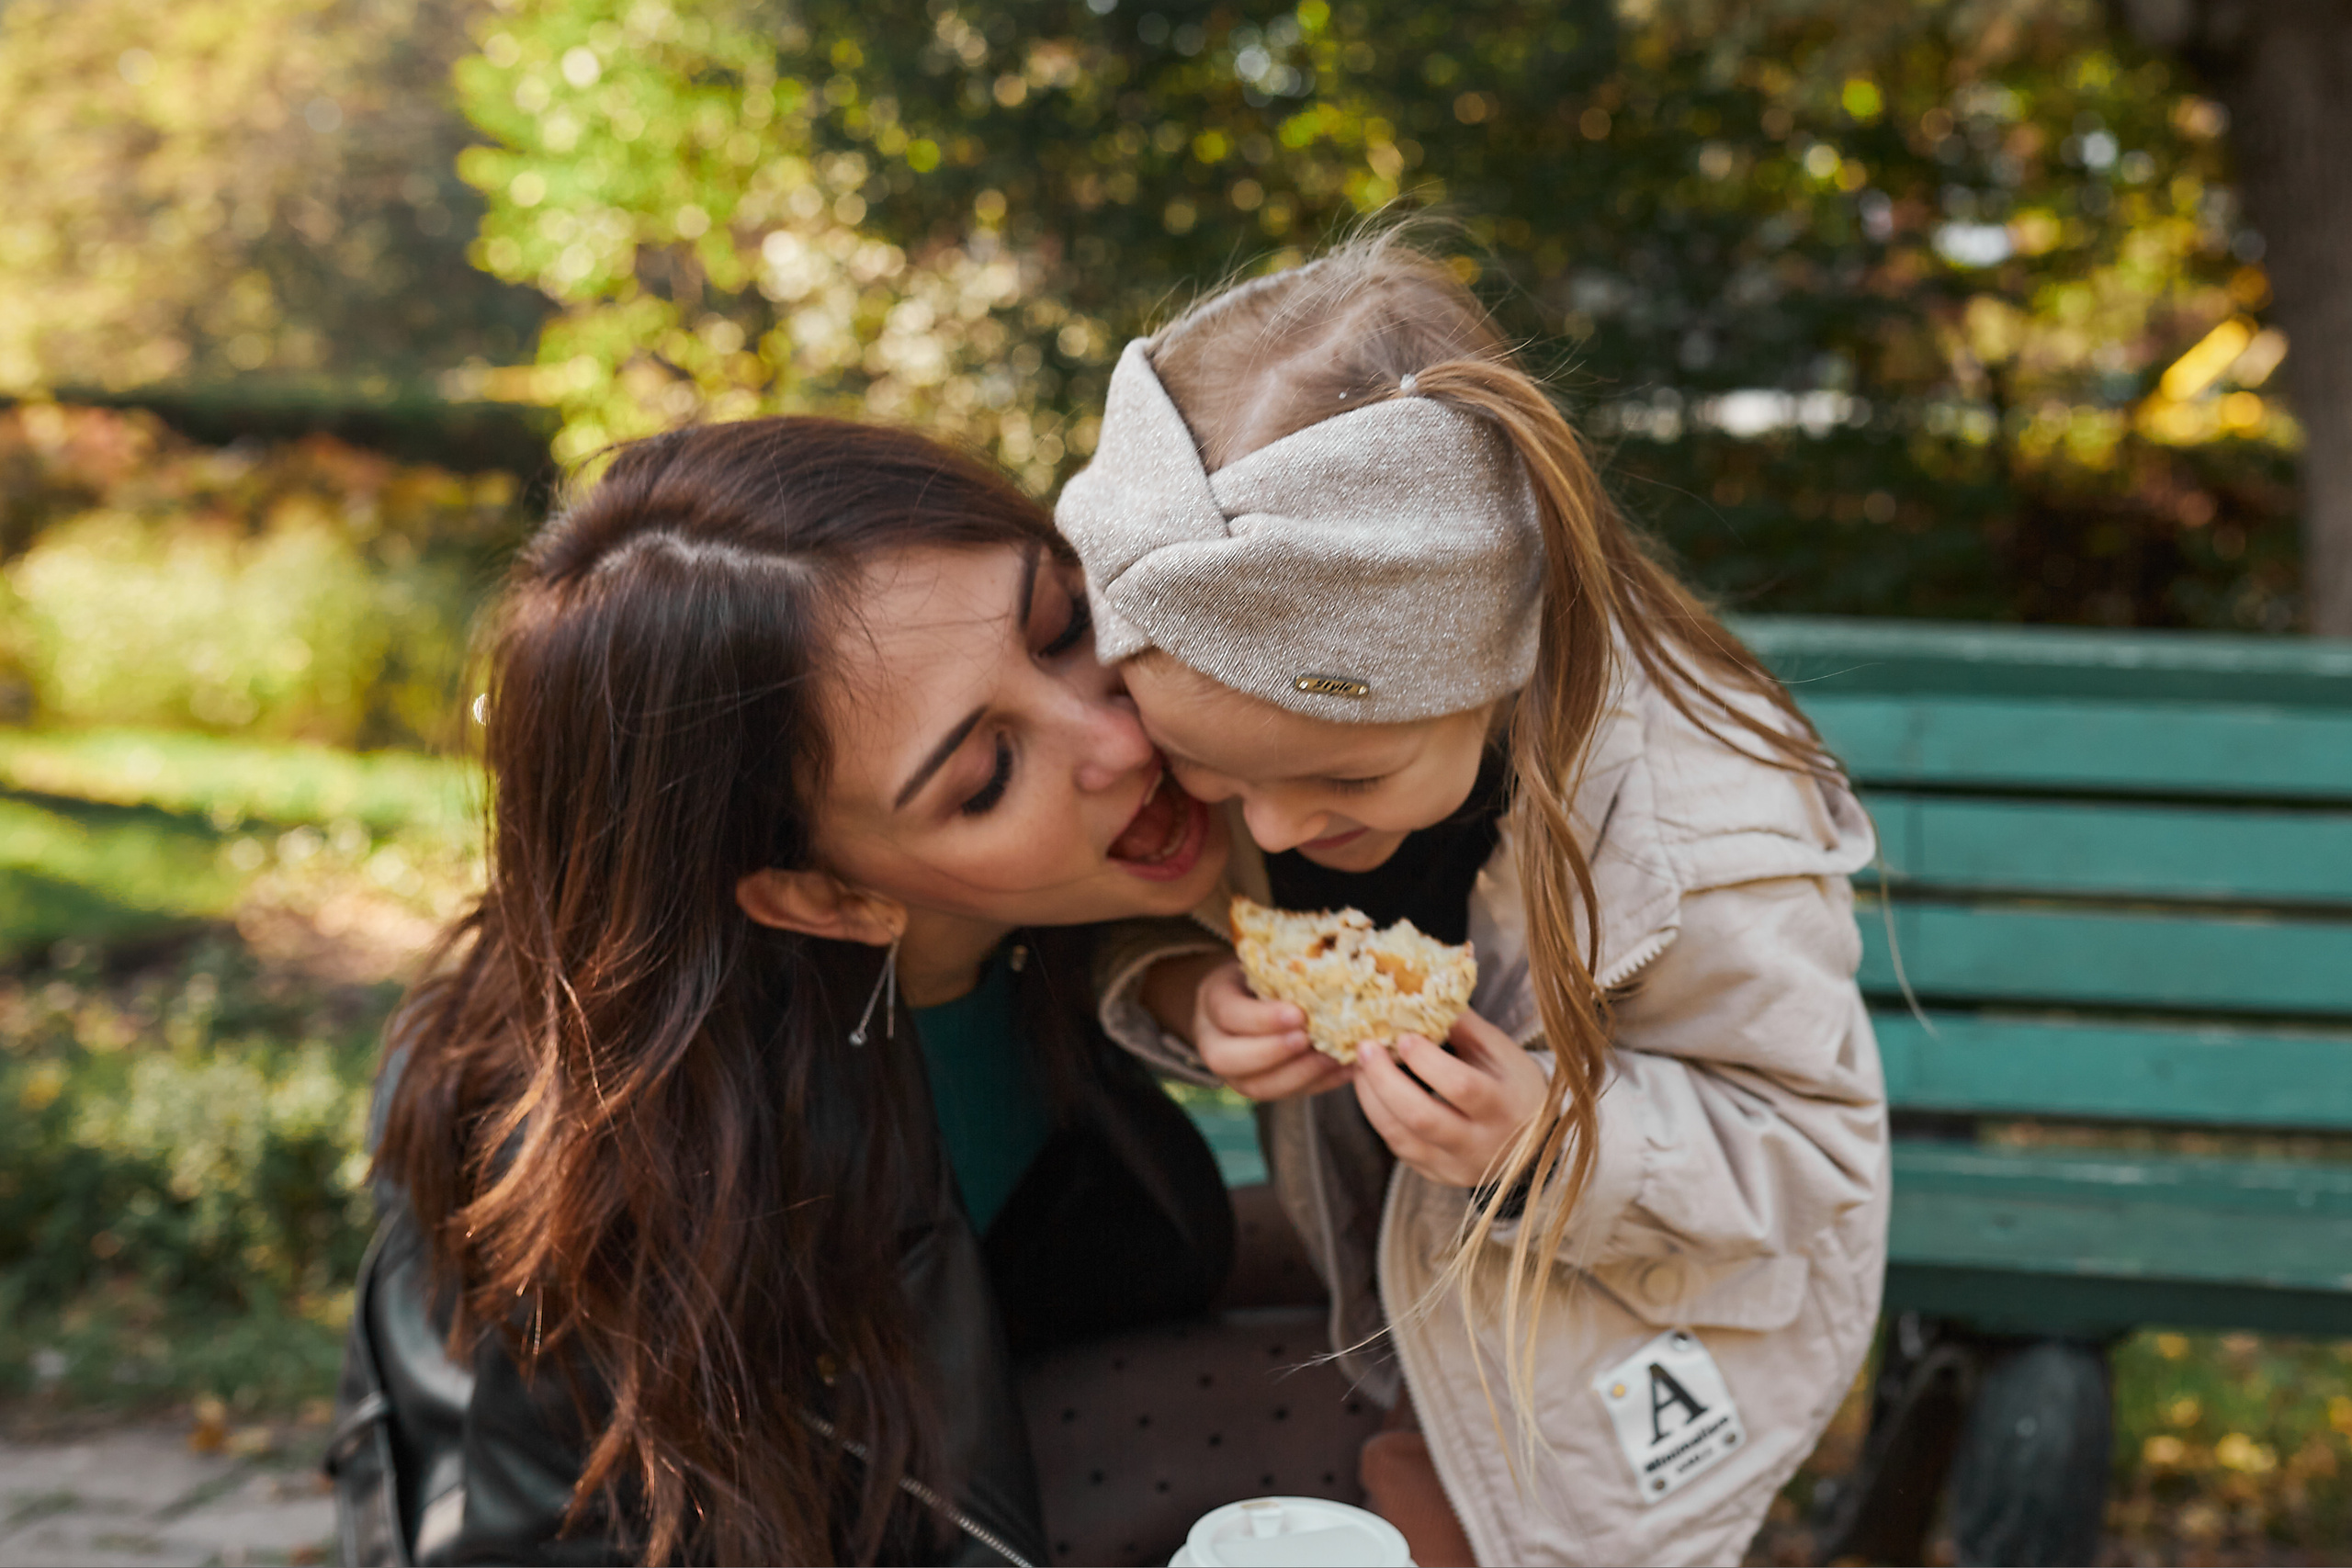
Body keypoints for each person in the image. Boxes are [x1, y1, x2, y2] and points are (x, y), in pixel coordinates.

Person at [325, 417, 1383, 1568]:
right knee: (1399, 1425)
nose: (1117, 736)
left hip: (1020, 1343)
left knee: (1421, 1281)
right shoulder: (667, 1166)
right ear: (820, 896)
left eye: (1063, 625)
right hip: (830, 1522)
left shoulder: (1075, 874)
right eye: (985, 776)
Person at [1055, 232, 1890, 1566]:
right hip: (1409, 1300)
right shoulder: (1273, 739)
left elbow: (1806, 1160)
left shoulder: (1701, 825)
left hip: (1627, 1368)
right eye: (1208, 771)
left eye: (1344, 774)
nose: (1266, 827)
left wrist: (1549, 1136)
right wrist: (1186, 991)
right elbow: (1158, 918)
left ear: (1490, 658)